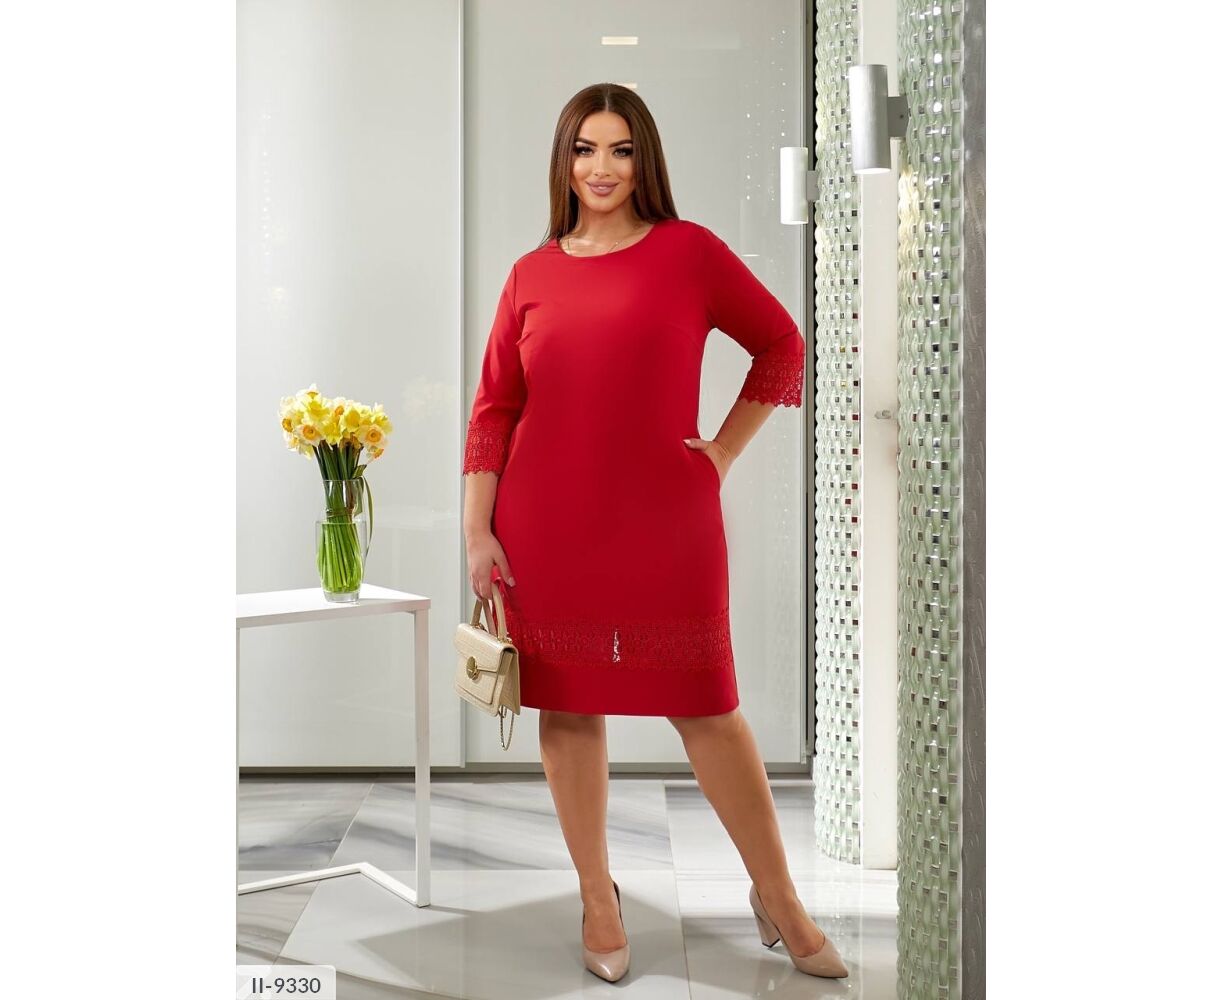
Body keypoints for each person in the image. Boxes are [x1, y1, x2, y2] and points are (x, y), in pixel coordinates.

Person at [462, 83, 849, 983]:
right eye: (584, 149)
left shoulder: (689, 252)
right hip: (545, 525)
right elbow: (494, 410)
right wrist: (478, 528)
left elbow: (782, 344)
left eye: (620, 149)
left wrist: (722, 452)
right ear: (563, 161)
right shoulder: (529, 274)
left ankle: (778, 896)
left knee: (707, 706)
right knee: (569, 705)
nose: (600, 167)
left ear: (645, 161)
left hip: (666, 523)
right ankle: (598, 898)